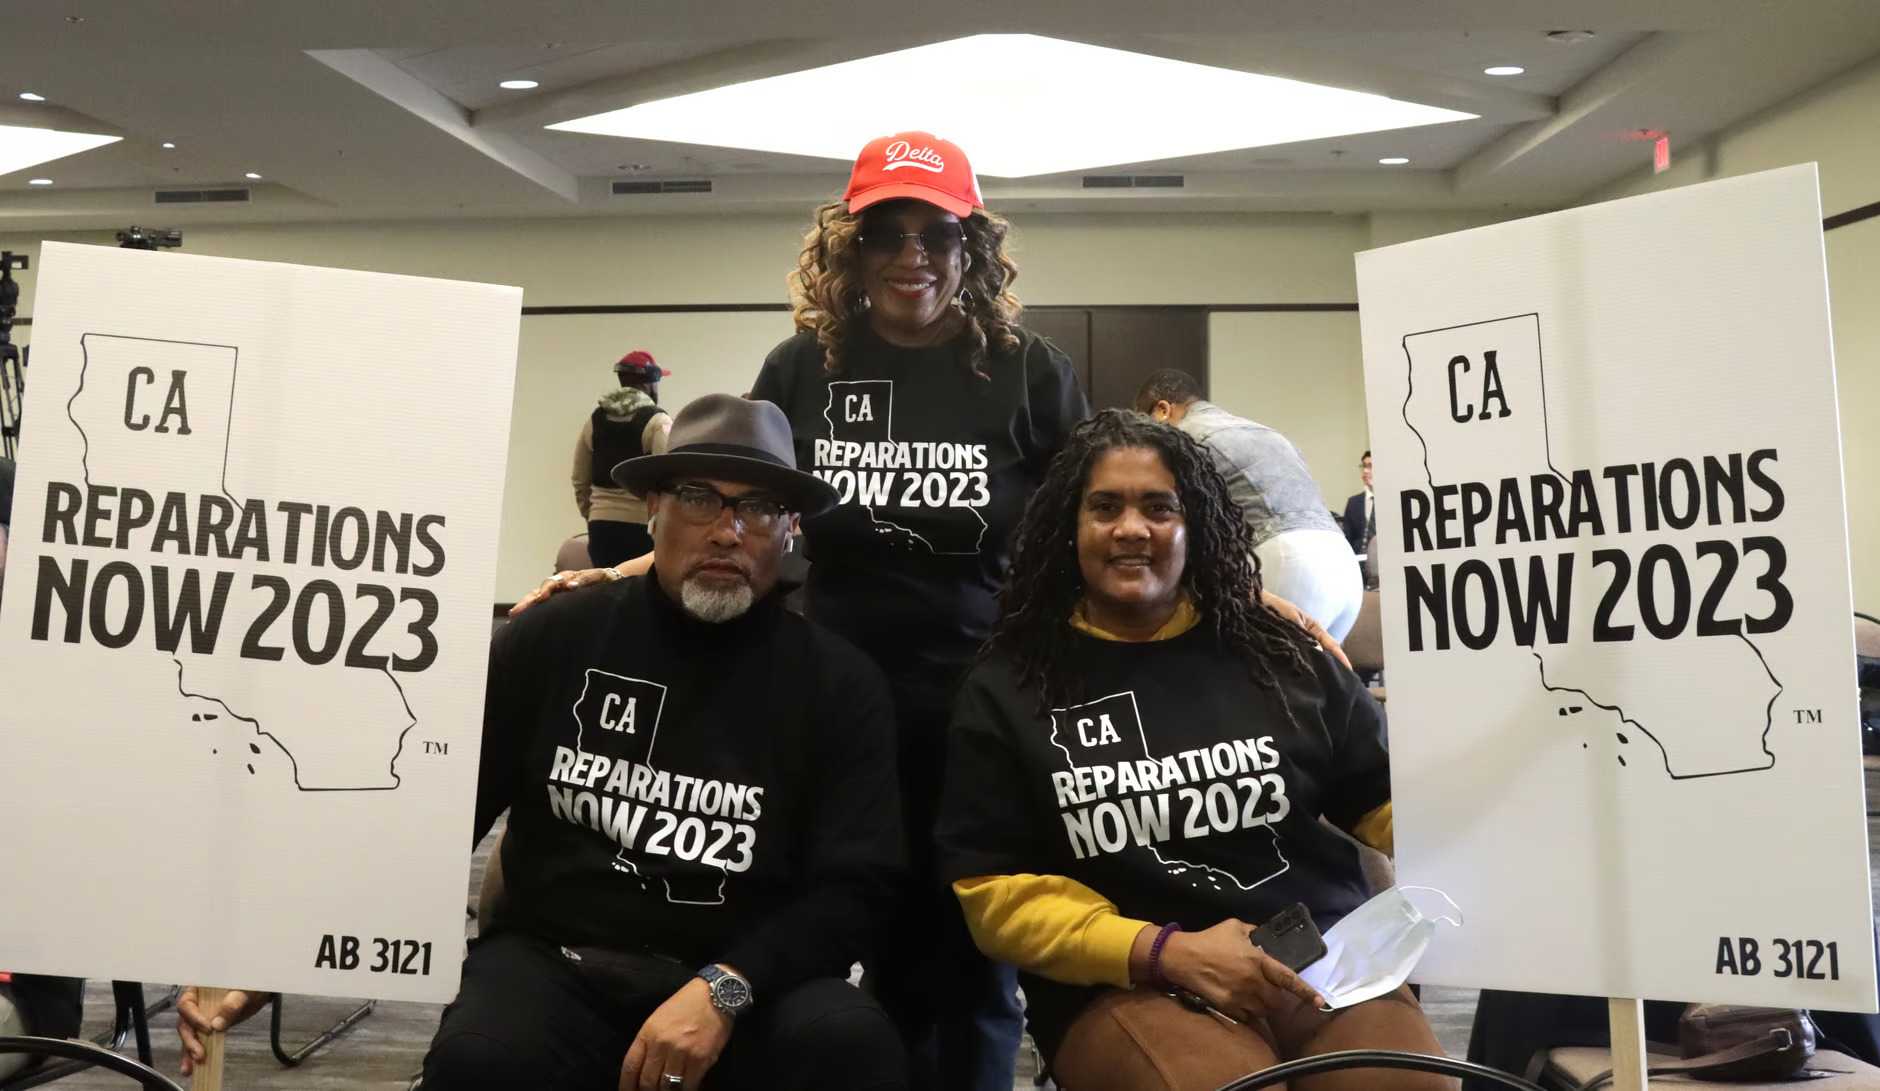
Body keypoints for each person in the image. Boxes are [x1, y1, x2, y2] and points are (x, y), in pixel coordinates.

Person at [509, 131, 1350, 1091]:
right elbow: (736, 505)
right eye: (886, 234)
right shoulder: (801, 368)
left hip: (989, 711)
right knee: (829, 936)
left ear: (971, 250)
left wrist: (1234, 594)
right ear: (849, 250)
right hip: (830, 709)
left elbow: (1106, 514)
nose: (912, 256)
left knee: (966, 966)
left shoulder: (1028, 372)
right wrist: (616, 573)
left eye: (936, 234)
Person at [178, 395, 910, 1091]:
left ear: (789, 530)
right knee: (482, 1060)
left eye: (757, 506)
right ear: (651, 508)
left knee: (850, 1045)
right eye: (697, 496)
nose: (726, 529)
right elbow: (436, 819)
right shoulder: (554, 637)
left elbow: (857, 886)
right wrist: (278, 952)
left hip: (749, 979)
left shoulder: (840, 683)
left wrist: (725, 986)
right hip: (560, 963)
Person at [936, 410, 1449, 1091]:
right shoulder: (1010, 686)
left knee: (1408, 1086)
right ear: (1071, 528)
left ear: (1193, 525)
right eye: (1105, 507)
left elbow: (1381, 799)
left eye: (1158, 507)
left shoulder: (1279, 653)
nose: (1131, 528)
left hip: (1318, 955)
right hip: (1132, 980)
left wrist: (1487, 824)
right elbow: (994, 891)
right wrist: (1164, 952)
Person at [1136, 370, 1364, 641]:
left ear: (1162, 410)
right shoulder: (1266, 432)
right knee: (1314, 681)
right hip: (1344, 568)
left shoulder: (1183, 438)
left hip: (1286, 563)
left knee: (1252, 677)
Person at [574, 350, 673, 567]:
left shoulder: (595, 419)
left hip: (601, 527)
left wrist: (594, 514)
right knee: (640, 595)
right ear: (650, 382)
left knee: (608, 592)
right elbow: (669, 478)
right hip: (641, 529)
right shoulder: (658, 421)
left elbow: (580, 479)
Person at [1341, 450, 1373, 557]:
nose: (1365, 471)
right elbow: (1347, 540)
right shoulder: (1353, 503)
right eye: (1363, 466)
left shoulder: (1390, 501)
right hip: (1358, 561)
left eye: (1370, 466)